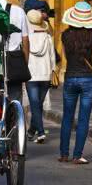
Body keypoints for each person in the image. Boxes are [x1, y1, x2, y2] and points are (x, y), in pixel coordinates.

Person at [59, 1, 92, 165]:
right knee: (84, 118)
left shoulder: (65, 36)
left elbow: (65, 56)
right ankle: (77, 155)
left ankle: (64, 154)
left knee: (67, 118)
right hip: (87, 80)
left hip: (70, 77)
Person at [25, 10, 56, 144]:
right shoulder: (48, 38)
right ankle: (32, 131)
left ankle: (40, 132)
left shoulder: (26, 39)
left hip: (31, 74)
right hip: (45, 74)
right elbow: (52, 58)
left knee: (35, 105)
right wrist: (52, 70)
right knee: (37, 105)